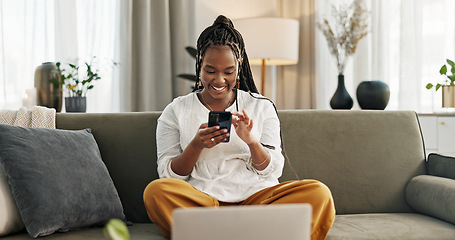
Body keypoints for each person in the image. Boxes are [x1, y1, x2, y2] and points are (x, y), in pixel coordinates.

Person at [143, 15, 335, 240]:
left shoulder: (261, 106)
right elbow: (169, 176)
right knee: (156, 192)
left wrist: (252, 142)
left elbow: (272, 171)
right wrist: (195, 146)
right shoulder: (176, 110)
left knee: (319, 194)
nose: (219, 80)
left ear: (240, 65)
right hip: (203, 201)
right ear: (199, 63)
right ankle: (255, 234)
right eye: (210, 71)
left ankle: (215, 234)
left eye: (228, 72)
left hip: (257, 200)